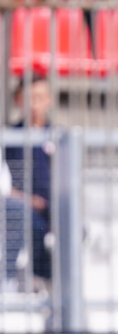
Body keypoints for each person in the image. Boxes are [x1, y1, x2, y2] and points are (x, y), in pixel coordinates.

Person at [4, 74, 54, 288]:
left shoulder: (58, 135)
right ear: (18, 100)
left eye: (40, 97)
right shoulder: (11, 138)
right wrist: (29, 200)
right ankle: (39, 276)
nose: (35, 104)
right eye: (29, 98)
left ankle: (55, 279)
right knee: (34, 224)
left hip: (53, 206)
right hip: (24, 206)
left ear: (49, 99)